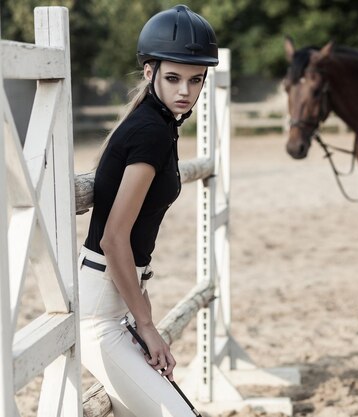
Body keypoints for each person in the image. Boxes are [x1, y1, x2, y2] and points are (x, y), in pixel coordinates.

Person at [78, 5, 218, 416]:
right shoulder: (151, 133)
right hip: (100, 315)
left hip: (115, 300)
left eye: (196, 81)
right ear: (149, 72)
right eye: (173, 78)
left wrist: (138, 300)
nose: (184, 92)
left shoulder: (157, 125)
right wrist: (147, 325)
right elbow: (113, 237)